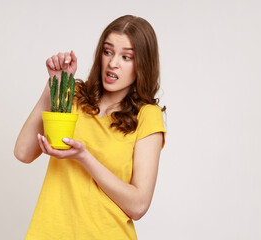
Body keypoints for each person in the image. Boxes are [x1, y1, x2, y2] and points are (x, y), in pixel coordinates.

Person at [14, 15, 167, 240]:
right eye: (108, 52)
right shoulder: (73, 97)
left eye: (126, 57)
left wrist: (84, 157)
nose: (113, 63)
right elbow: (23, 152)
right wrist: (55, 84)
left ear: (142, 65)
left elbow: (139, 205)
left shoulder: (147, 116)